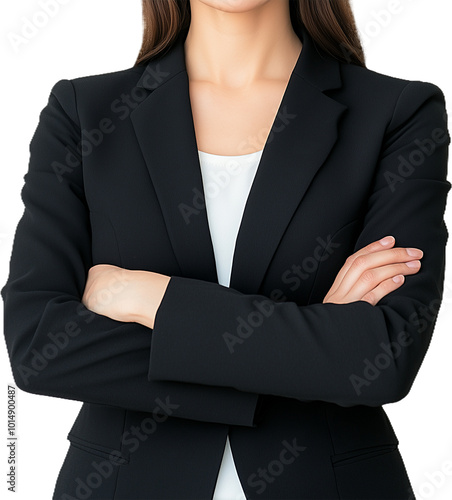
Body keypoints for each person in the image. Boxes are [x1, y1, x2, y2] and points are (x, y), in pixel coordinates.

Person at [2, 0, 450, 498]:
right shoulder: (85, 112)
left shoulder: (398, 113)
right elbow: (41, 347)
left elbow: (381, 357)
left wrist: (153, 298)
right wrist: (311, 350)